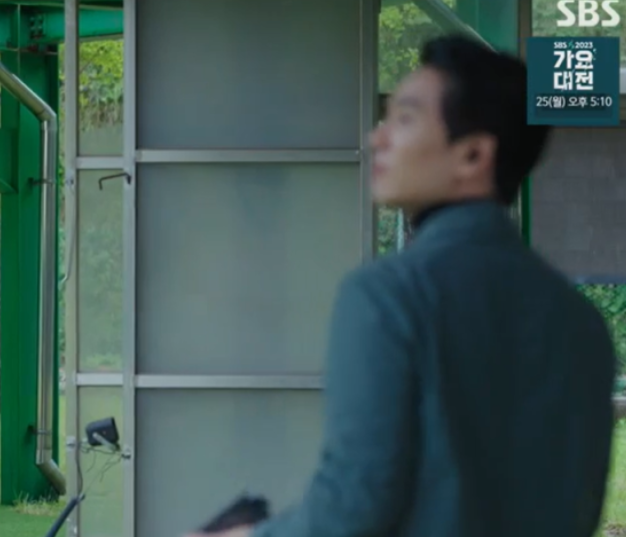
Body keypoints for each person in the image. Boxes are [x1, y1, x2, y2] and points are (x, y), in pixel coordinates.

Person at [188, 35, 616, 537]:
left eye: (405, 119)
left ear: (473, 155)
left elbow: (352, 507)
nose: (378, 138)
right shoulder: (582, 325)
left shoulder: (388, 295)